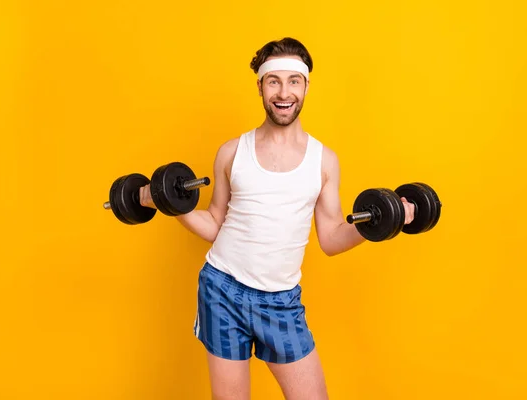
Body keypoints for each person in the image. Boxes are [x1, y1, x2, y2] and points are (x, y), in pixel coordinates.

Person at [140, 37, 415, 400]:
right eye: (274, 81)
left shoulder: (324, 161)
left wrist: (385, 223)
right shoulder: (232, 152)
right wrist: (169, 202)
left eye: (293, 81)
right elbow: (214, 224)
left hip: (281, 302)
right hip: (222, 289)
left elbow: (331, 239)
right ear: (260, 86)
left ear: (306, 86)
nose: (283, 92)